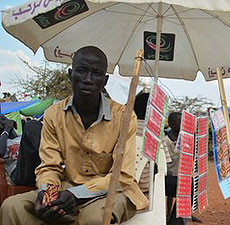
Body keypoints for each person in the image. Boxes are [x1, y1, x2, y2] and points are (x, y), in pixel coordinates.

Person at [0, 46, 148, 225]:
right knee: (12, 207)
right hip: (66, 188)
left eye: (96, 73)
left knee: (93, 219)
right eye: (82, 71)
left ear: (105, 80)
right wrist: (49, 194)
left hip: (111, 192)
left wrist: (76, 195)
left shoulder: (124, 117)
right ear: (71, 75)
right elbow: (49, 167)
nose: (88, 79)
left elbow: (121, 177)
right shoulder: (53, 114)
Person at [0, 116, 43, 186]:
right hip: (19, 174)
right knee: (30, 125)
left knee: (35, 125)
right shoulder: (3, 142)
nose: (3, 122)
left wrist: (11, 129)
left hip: (37, 167)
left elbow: (15, 137)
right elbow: (1, 152)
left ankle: (52, 162)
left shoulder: (21, 137)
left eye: (4, 119)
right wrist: (6, 129)